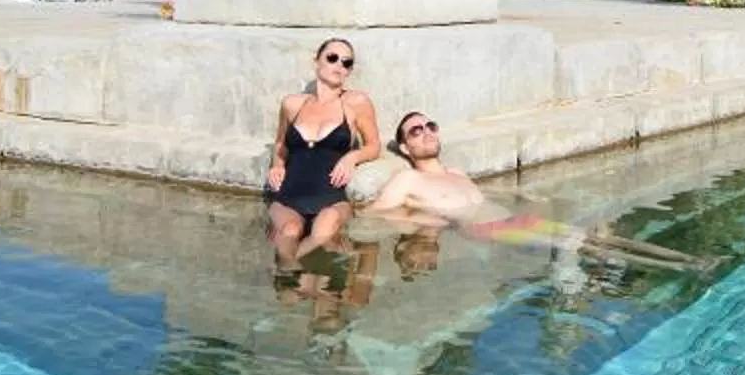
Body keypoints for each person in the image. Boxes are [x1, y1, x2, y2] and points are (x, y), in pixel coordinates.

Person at [364, 111, 711, 271]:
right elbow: (377, 213)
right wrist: (427, 220)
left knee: (594, 236)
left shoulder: (456, 173)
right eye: (415, 131)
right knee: (578, 244)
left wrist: (526, 198)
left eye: (430, 126)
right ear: (406, 149)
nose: (425, 132)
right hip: (486, 230)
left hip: (513, 219)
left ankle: (686, 258)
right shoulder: (409, 180)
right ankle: (684, 269)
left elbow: (484, 199)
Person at [264, 37, 379, 260]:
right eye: (333, 58)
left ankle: (292, 271)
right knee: (289, 231)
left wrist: (352, 157)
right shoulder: (292, 104)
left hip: (330, 196)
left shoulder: (356, 102)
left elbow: (374, 145)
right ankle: (294, 279)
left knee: (323, 231)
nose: (339, 66)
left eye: (346, 63)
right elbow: (280, 143)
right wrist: (277, 164)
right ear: (316, 61)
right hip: (290, 194)